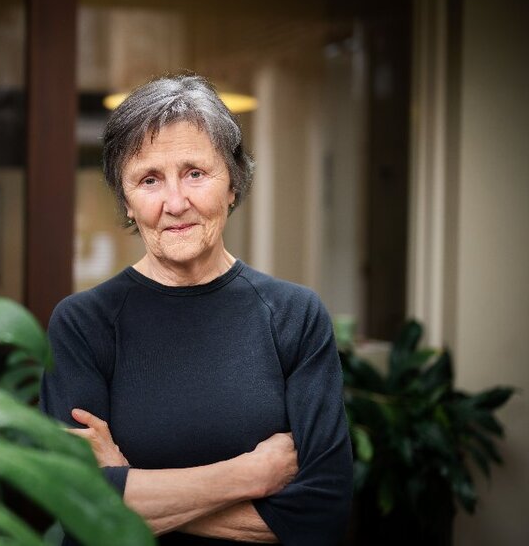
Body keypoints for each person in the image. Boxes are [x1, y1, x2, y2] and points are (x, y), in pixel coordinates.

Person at [40, 73, 353, 545]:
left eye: (195, 173)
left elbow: (323, 513)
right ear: (126, 202)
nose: (175, 202)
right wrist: (253, 473)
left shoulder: (295, 316)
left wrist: (125, 488)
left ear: (233, 183)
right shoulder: (83, 324)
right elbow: (76, 508)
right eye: (149, 180)